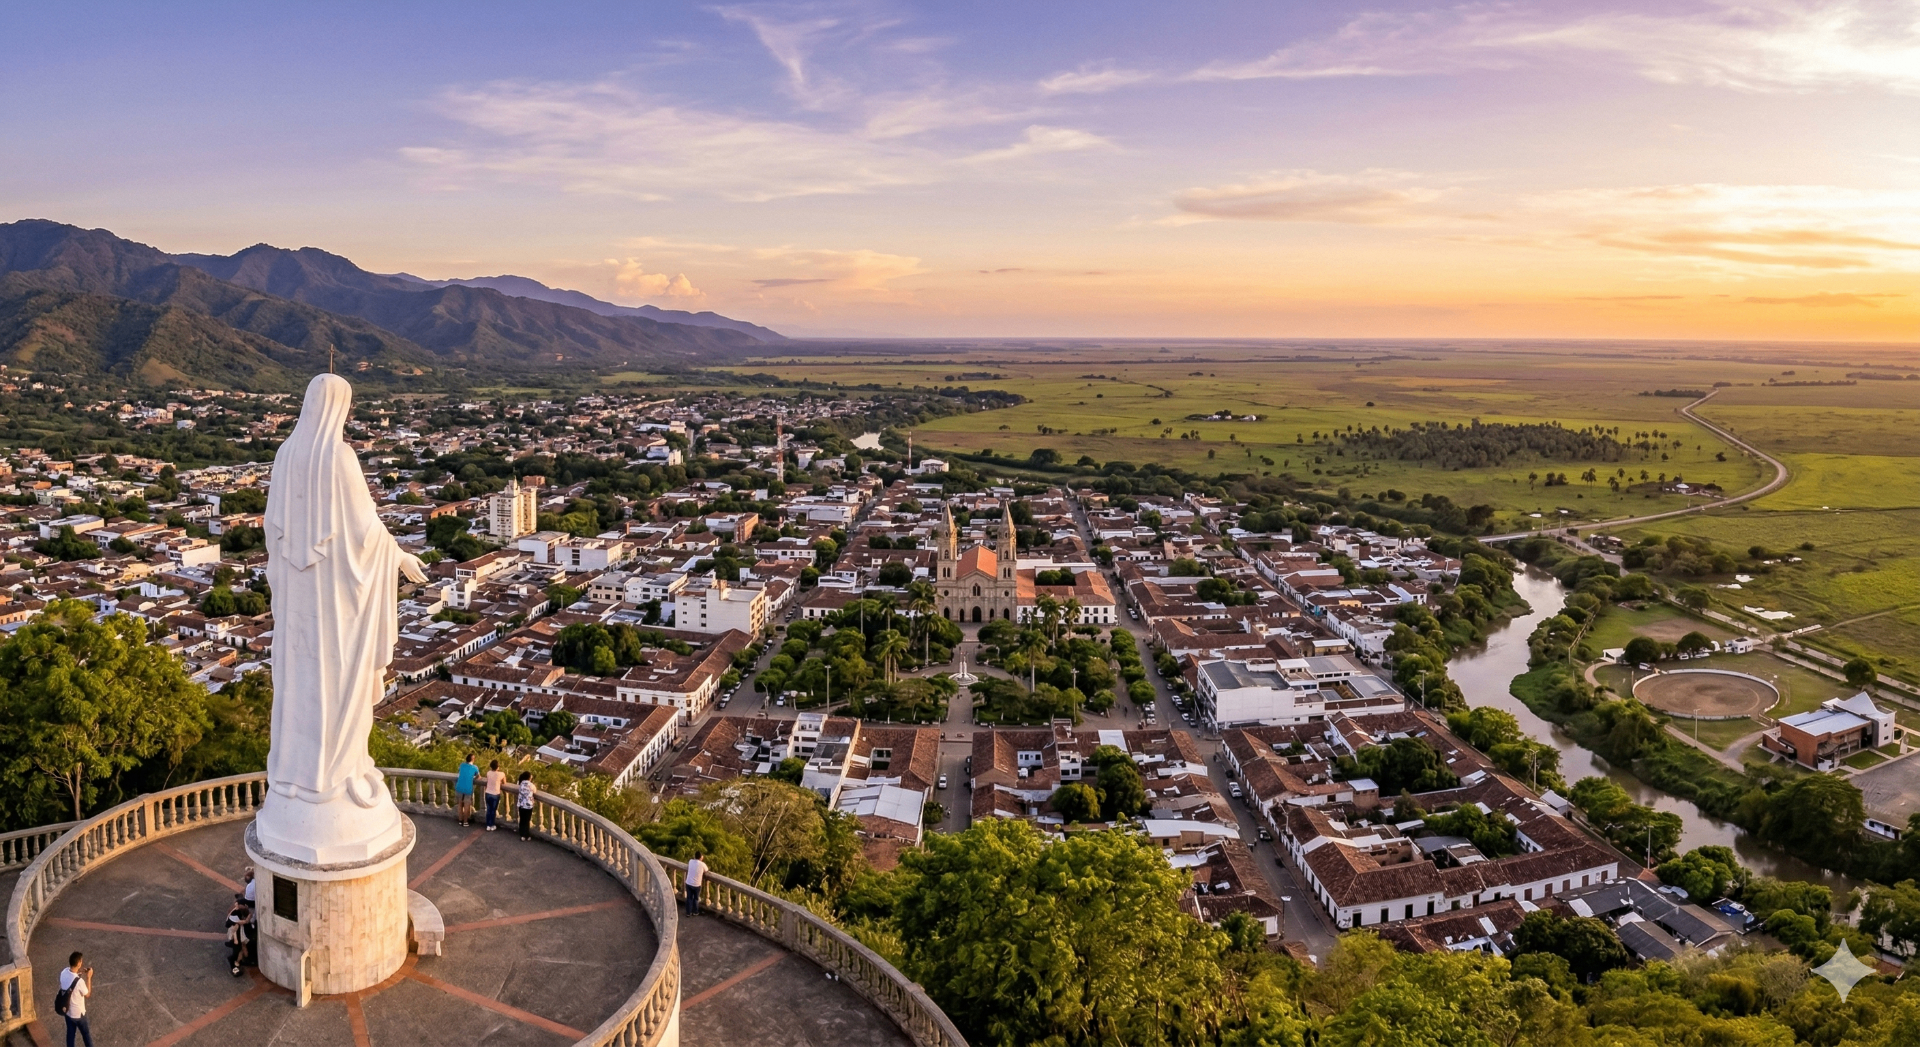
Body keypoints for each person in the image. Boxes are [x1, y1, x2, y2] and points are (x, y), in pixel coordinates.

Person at [57, 951, 92, 1047]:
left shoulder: (63, 972)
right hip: (79, 1014)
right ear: (79, 963)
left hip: (68, 1012)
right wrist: (88, 977)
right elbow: (87, 994)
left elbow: (71, 978)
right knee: (86, 1035)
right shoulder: (80, 982)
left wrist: (80, 972)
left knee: (70, 1035)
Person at [455, 753, 479, 828]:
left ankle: (460, 820)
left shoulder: (462, 765)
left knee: (459, 804)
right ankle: (465, 822)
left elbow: (460, 772)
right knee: (466, 805)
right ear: (473, 760)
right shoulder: (475, 767)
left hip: (459, 786)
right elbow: (478, 776)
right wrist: (473, 779)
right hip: (468, 788)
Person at [483, 760, 505, 831]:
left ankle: (488, 825)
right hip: (495, 794)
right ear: (498, 767)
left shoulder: (488, 773)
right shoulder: (501, 774)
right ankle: (492, 825)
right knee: (493, 810)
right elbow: (504, 782)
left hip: (488, 793)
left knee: (488, 809)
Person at [684, 851, 707, 917]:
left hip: (688, 883)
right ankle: (695, 912)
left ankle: (688, 913)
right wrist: (701, 860)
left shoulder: (690, 861)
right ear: (701, 857)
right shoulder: (702, 864)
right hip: (697, 884)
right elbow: (706, 870)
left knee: (689, 898)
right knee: (696, 899)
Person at [515, 771, 535, 841]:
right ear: (529, 777)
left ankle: (522, 834)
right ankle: (527, 834)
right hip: (528, 805)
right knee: (527, 820)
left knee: (522, 820)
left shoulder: (520, 783)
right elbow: (535, 791)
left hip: (521, 805)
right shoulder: (531, 785)